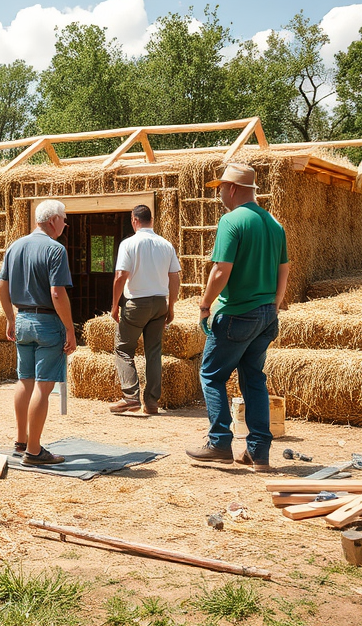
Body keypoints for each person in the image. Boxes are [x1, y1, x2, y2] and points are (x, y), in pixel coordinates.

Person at [186, 163, 289, 472]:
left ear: (231, 189)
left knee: (211, 375)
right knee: (254, 380)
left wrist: (205, 305)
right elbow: (284, 270)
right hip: (266, 314)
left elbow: (220, 270)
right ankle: (258, 453)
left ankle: (219, 442)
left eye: (221, 188)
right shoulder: (273, 223)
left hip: (237, 313)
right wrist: (274, 305)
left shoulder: (232, 221)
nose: (219, 194)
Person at [0, 199, 76, 466]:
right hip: (47, 322)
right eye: (64, 219)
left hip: (22, 320)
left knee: (24, 381)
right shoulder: (56, 250)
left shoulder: (14, 246)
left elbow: (1, 286)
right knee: (44, 386)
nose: (65, 224)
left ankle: (21, 441)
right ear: (53, 220)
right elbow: (57, 293)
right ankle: (33, 450)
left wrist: (10, 318)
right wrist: (69, 328)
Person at [109, 204, 181, 416]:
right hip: (160, 303)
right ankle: (151, 403)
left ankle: (131, 397)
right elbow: (174, 277)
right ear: (152, 220)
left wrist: (115, 306)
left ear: (134, 220)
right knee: (153, 352)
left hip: (136, 304)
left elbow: (120, 275)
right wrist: (172, 305)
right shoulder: (166, 244)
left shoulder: (129, 244)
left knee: (123, 349)